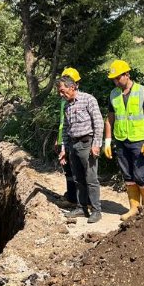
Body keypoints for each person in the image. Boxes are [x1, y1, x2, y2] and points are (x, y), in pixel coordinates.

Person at [103, 59, 144, 221]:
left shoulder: (142, 91)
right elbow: (109, 119)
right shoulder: (114, 94)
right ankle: (134, 208)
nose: (115, 81)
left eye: (118, 78)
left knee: (141, 176)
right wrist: (107, 140)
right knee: (128, 176)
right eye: (113, 79)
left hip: (139, 140)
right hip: (121, 140)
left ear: (127, 74)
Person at [57, 75, 104, 223]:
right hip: (73, 145)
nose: (61, 94)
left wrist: (96, 144)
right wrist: (64, 149)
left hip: (87, 144)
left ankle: (96, 210)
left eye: (63, 91)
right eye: (59, 91)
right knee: (78, 179)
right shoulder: (67, 105)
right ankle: (81, 207)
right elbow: (65, 129)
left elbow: (98, 122)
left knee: (91, 179)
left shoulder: (88, 99)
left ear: (72, 87)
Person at [56, 67, 88, 208]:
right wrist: (59, 139)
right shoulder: (64, 100)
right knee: (69, 170)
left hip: (75, 140)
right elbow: (63, 123)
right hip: (67, 138)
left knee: (77, 172)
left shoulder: (81, 100)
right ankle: (72, 197)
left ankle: (79, 200)